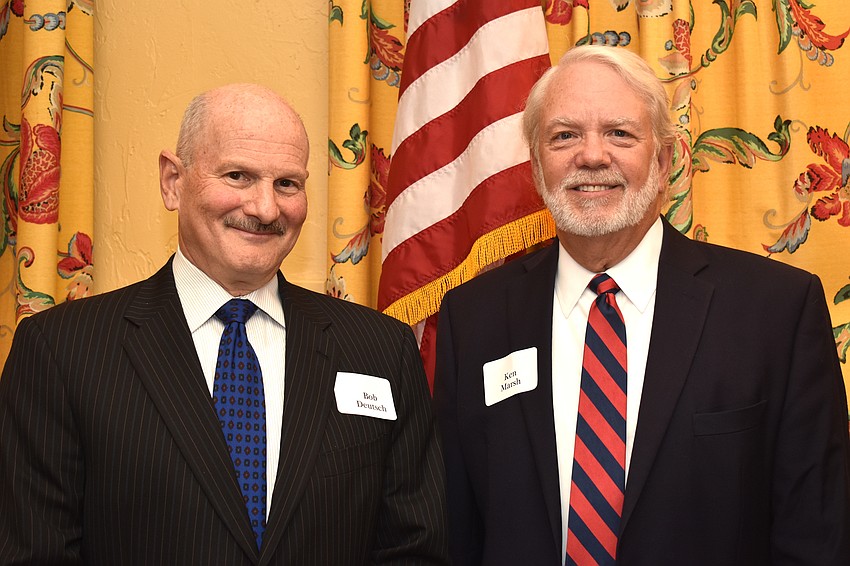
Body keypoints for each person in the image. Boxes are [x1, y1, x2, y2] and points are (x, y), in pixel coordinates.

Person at [433, 45, 850, 565]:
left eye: (620, 133)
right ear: (537, 167)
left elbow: (815, 534)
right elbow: (455, 531)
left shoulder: (777, 313)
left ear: (665, 160)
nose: (591, 155)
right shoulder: (473, 320)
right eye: (564, 136)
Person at [0, 84, 448, 565]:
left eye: (287, 184)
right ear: (173, 181)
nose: (265, 208)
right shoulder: (63, 352)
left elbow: (414, 549)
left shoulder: (380, 349)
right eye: (238, 176)